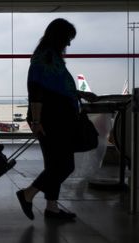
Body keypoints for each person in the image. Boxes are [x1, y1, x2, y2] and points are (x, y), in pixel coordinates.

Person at [16, 18, 98, 220]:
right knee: (63, 165)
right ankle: (28, 194)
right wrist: (36, 121)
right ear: (58, 37)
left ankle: (51, 207)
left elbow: (57, 88)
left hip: (57, 118)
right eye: (68, 38)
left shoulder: (51, 57)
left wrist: (79, 94)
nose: (69, 44)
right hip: (52, 120)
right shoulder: (44, 58)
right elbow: (36, 91)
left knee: (55, 164)